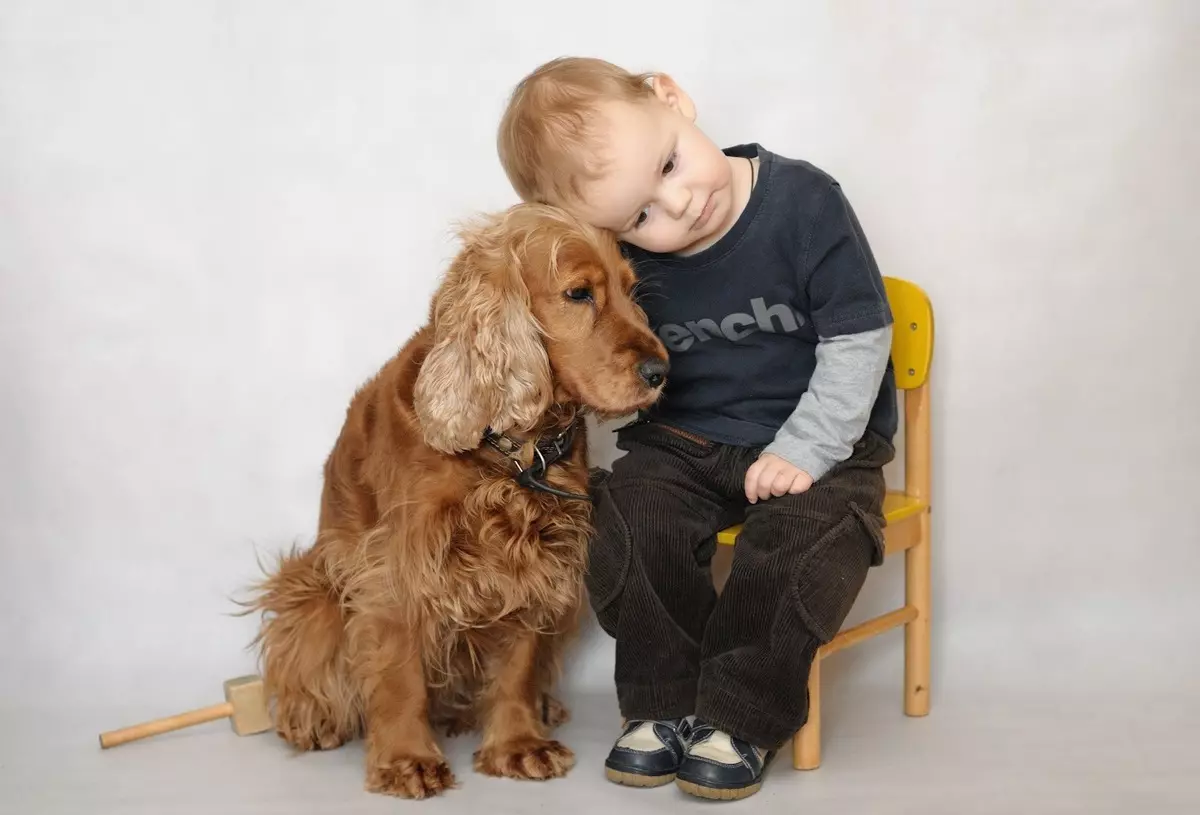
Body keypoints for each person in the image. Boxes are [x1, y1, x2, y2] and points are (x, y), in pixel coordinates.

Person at [495, 56, 897, 800]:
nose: (678, 207)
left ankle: (740, 713)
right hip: (687, 443)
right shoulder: (631, 260)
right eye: (639, 215)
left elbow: (859, 341)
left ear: (670, 99)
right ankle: (664, 699)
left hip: (823, 444)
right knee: (628, 513)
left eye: (671, 164)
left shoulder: (806, 202)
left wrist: (804, 449)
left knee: (802, 539)